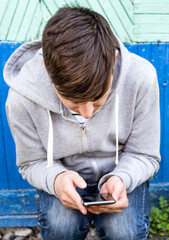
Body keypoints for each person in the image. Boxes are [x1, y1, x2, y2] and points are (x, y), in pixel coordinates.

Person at [4, 5, 160, 240]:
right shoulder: (21, 98)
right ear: (47, 67)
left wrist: (122, 178)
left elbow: (145, 154)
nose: (87, 113)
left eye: (98, 99)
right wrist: (56, 180)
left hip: (122, 171)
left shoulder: (141, 78)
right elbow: (31, 162)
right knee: (59, 226)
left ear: (113, 60)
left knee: (124, 231)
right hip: (61, 173)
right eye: (73, 103)